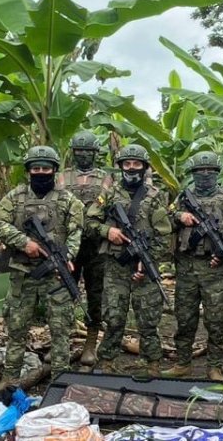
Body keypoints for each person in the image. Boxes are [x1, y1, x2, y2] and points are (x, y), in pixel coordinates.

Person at [0, 145, 83, 387]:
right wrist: (25, 243)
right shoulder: (14, 197)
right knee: (16, 328)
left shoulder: (68, 200)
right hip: (23, 274)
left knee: (60, 329)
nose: (41, 172)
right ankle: (10, 381)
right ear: (29, 171)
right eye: (36, 168)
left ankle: (60, 381)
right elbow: (0, 224)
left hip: (55, 274)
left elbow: (76, 232)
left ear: (54, 171)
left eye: (46, 168)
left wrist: (67, 256)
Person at [85, 143, 172, 376]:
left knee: (148, 318)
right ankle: (106, 360)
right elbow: (89, 222)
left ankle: (152, 362)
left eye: (137, 164)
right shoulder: (109, 195)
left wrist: (147, 261)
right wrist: (108, 232)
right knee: (113, 315)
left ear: (144, 168)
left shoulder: (155, 197)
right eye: (127, 164)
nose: (131, 168)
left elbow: (164, 235)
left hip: (144, 266)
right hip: (115, 266)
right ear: (121, 166)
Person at [164, 151, 223, 381]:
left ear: (217, 174)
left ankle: (215, 366)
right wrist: (180, 217)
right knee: (184, 317)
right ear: (193, 174)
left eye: (210, 172)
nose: (205, 176)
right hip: (187, 268)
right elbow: (165, 220)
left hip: (214, 270)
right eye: (200, 172)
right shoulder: (183, 197)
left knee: (216, 320)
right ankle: (182, 362)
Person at [57, 130, 112, 366]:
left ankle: (90, 343)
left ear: (95, 154)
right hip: (68, 245)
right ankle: (61, 343)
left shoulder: (106, 178)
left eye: (88, 152)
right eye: (79, 152)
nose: (83, 156)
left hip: (95, 247)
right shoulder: (62, 177)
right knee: (62, 295)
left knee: (95, 295)